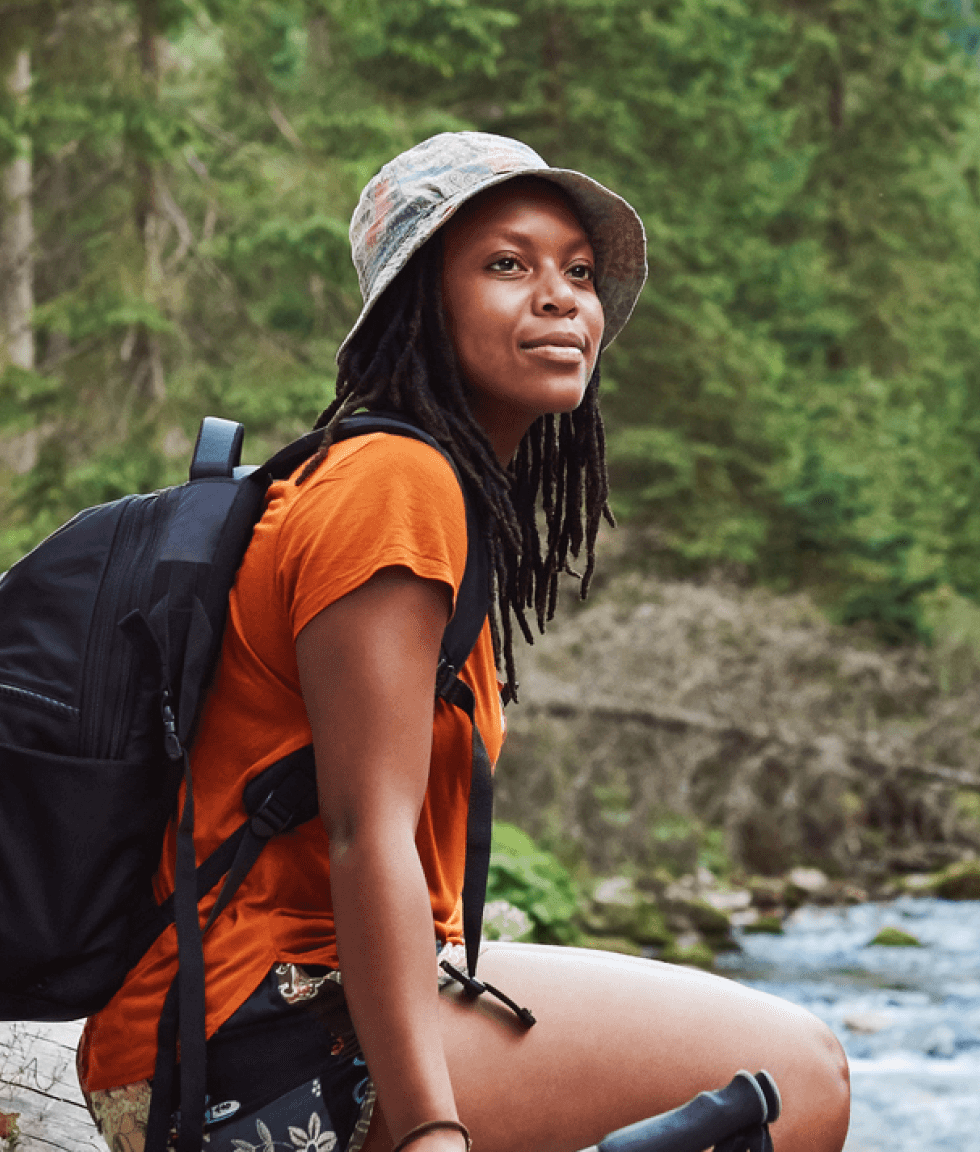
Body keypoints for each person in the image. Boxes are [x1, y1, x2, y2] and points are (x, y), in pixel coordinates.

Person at [76, 131, 851, 1152]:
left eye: (578, 272)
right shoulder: (394, 488)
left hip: (285, 999)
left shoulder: (403, 482)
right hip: (240, 1041)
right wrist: (431, 1128)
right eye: (505, 264)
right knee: (800, 1079)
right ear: (418, 306)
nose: (562, 296)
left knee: (786, 1065)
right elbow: (367, 837)